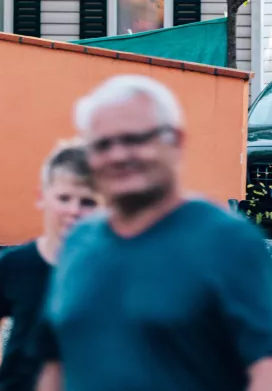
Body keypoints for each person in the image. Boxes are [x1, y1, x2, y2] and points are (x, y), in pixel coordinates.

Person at [35, 75, 272, 391]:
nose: (119, 155)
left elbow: (265, 368)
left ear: (175, 141)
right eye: (103, 144)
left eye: (135, 139)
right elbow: (54, 358)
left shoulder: (228, 242)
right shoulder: (79, 241)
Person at [0, 141, 99, 391]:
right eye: (64, 198)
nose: (74, 210)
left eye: (88, 202)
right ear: (42, 197)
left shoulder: (114, 271)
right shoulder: (15, 265)